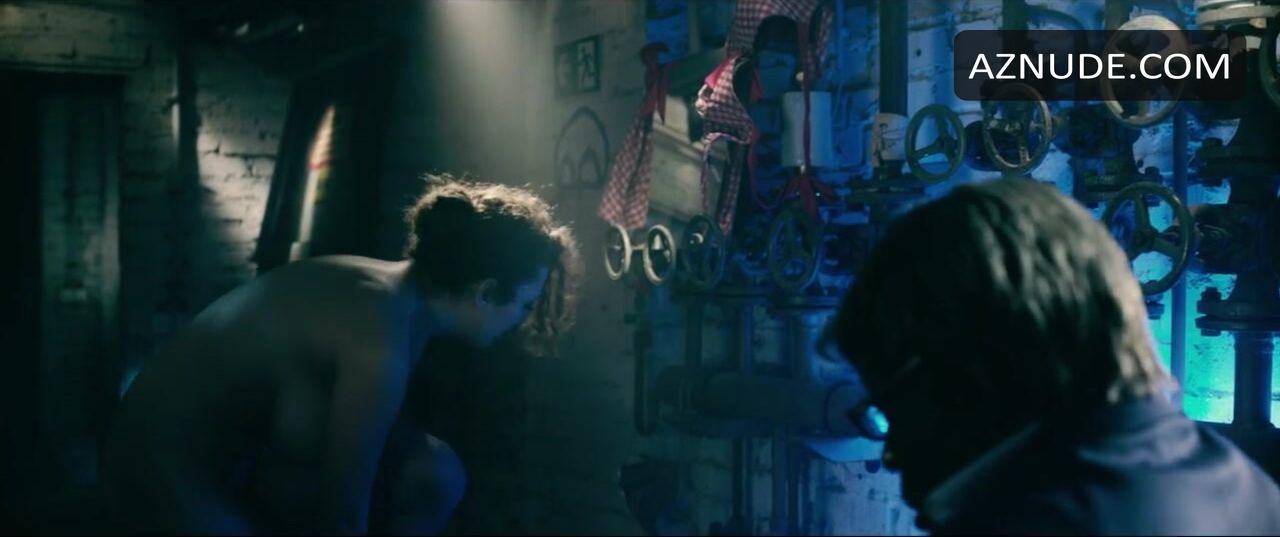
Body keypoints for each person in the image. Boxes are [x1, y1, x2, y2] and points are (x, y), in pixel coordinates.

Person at [101, 175, 578, 535]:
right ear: (486, 292)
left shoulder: (388, 295)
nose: (522, 319)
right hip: (156, 472)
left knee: (433, 471)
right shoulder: (381, 338)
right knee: (428, 477)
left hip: (209, 463)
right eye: (526, 304)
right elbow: (342, 513)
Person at [823, 178, 1280, 535]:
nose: (891, 456)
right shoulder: (1240, 484)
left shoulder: (1024, 524)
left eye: (891, 410)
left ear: (970, 372)